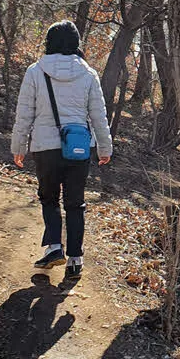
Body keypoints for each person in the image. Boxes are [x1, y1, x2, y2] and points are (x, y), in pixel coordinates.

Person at [10, 20, 112, 278]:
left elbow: (24, 113)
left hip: (45, 147)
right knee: (75, 204)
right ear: (76, 43)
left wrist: (18, 145)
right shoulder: (89, 74)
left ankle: (55, 247)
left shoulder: (35, 71)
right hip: (78, 149)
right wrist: (104, 147)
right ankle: (75, 260)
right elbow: (98, 115)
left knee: (49, 198)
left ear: (49, 42)